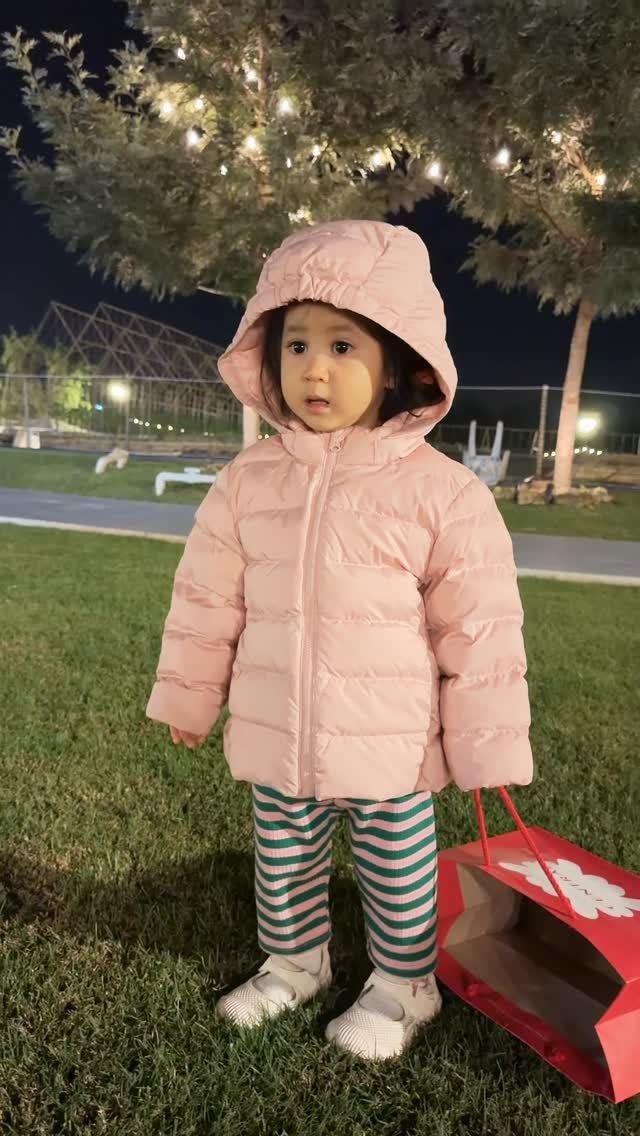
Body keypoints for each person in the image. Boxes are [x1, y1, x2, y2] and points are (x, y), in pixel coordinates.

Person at [146, 220, 533, 1060]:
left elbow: (479, 628)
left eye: (343, 345)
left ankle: (404, 985)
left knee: (398, 867)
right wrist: (188, 697)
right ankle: (295, 964)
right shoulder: (248, 481)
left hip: (389, 742)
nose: (314, 368)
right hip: (279, 730)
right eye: (296, 344)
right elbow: (205, 599)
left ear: (397, 361)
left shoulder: (443, 494)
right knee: (283, 857)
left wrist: (487, 746)